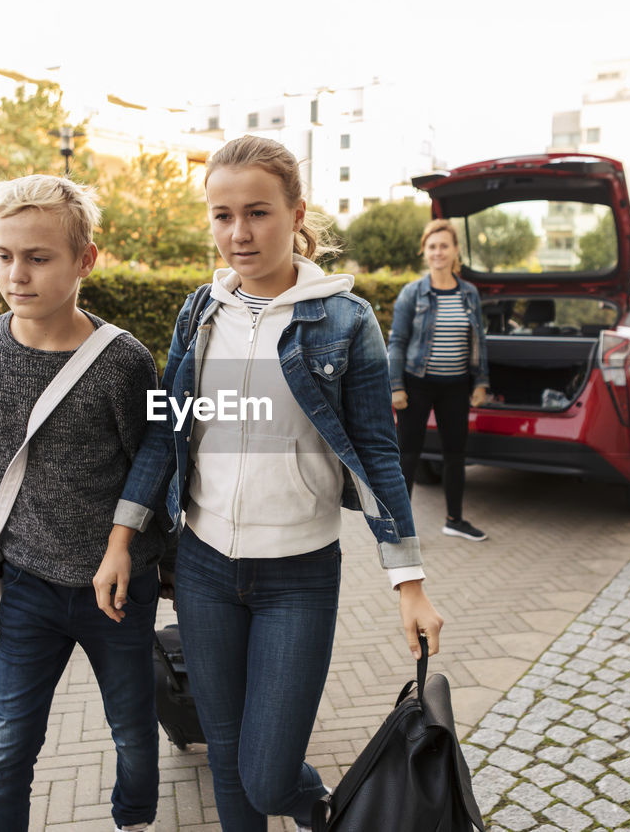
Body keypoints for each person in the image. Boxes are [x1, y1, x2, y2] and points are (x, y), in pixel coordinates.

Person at [104, 135, 444, 832]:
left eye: (257, 212)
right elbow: (167, 435)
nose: (238, 232)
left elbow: (379, 455)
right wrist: (120, 537)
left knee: (264, 773)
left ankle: (321, 806)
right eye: (222, 215)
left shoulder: (346, 321)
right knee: (227, 759)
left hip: (299, 574)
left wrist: (408, 581)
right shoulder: (199, 314)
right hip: (202, 569)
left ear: (296, 212)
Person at [0, 174, 166, 832]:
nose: (17, 273)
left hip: (117, 588)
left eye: (38, 257)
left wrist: (122, 546)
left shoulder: (125, 361)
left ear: (84, 260)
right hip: (29, 584)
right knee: (7, 740)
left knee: (132, 727)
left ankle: (135, 819)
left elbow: (155, 459)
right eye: (2, 254)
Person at [387, 219, 491, 542]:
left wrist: (480, 382)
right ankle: (400, 530)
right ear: (425, 251)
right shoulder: (412, 293)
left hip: (456, 385)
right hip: (416, 384)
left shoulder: (469, 294)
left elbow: (478, 341)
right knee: (408, 454)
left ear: (456, 250)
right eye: (432, 246)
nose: (438, 252)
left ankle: (454, 520)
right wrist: (396, 387)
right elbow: (397, 342)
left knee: (455, 452)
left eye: (444, 246)